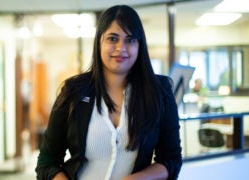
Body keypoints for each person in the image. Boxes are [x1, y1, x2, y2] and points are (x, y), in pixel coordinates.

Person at [36, 5, 182, 180]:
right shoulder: (73, 91)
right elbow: (47, 162)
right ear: (99, 42)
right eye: (113, 39)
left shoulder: (160, 92)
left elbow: (171, 160)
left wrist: (138, 178)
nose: (121, 48)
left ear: (139, 45)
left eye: (130, 40)